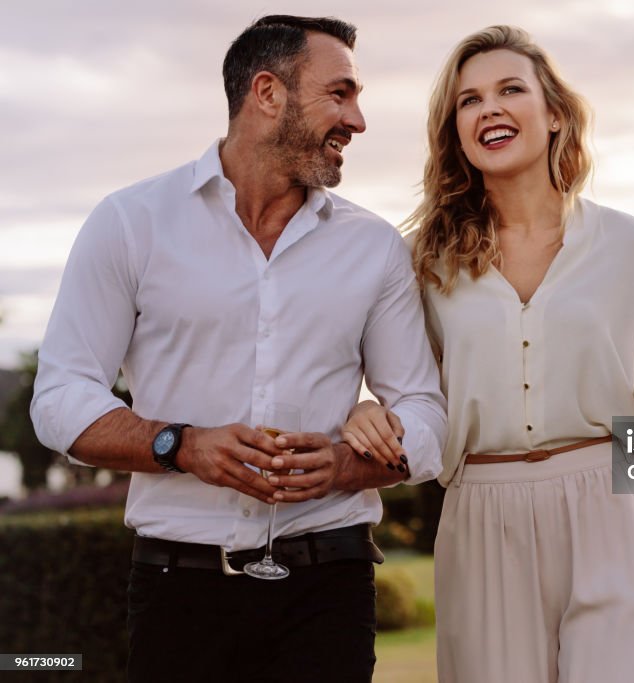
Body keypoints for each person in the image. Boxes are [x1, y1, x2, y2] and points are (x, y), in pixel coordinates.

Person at [30, 15, 446, 683]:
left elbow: (427, 414)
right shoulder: (131, 223)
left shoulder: (373, 249)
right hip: (179, 593)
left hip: (329, 591)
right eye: (339, 94)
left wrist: (345, 467)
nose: (358, 120)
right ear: (267, 92)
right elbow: (59, 398)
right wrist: (182, 444)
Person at [342, 25, 634, 683]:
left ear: (554, 112)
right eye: (469, 100)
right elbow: (408, 392)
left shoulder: (624, 244)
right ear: (456, 129)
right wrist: (363, 411)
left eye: (511, 89)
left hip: (610, 512)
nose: (490, 109)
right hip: (483, 517)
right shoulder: (425, 259)